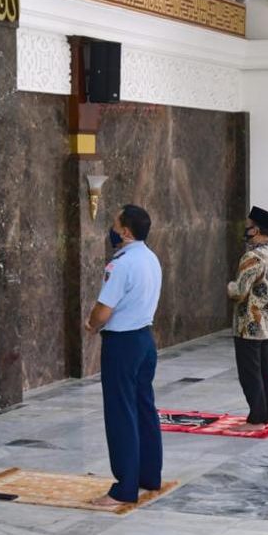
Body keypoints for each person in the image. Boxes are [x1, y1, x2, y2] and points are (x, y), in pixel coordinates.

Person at [84, 204, 163, 508]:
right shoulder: (150, 258)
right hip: (145, 339)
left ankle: (124, 488)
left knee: (121, 413)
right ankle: (148, 476)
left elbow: (104, 309)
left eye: (116, 224)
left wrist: (91, 324)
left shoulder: (121, 263)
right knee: (144, 407)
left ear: (126, 232)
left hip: (123, 343)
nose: (112, 229)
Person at [228, 206, 268, 432]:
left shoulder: (251, 257)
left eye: (249, 226)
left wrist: (229, 287)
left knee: (249, 372)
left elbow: (239, 292)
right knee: (265, 368)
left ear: (256, 230)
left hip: (248, 324)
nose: (246, 229)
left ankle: (256, 419)